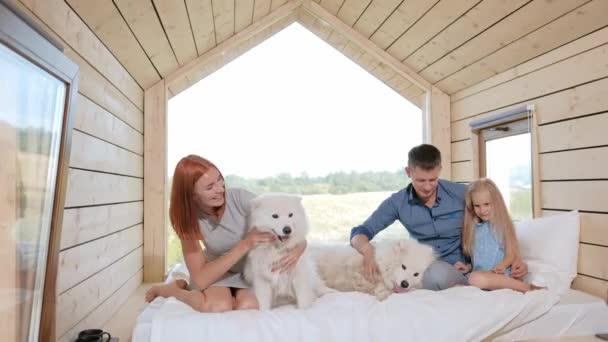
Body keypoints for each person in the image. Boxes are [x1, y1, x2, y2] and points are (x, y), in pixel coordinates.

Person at [349, 144, 528, 290]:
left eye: (433, 179)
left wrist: (515, 258)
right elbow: (360, 232)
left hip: (462, 269)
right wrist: (367, 251)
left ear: (440, 170)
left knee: (436, 276)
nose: (427, 187)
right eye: (421, 180)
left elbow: (495, 220)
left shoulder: (461, 193)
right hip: (425, 269)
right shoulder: (398, 202)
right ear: (408, 172)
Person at [145, 155, 307, 312]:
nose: (220, 189)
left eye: (219, 180)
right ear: (191, 195)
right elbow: (201, 278)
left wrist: (299, 248)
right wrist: (245, 244)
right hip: (218, 270)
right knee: (218, 306)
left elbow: (284, 220)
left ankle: (231, 297)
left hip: (249, 272)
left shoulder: (241, 199)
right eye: (209, 187)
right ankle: (174, 290)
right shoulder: (188, 218)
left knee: (248, 306)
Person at [456, 178, 542, 292]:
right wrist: (467, 267)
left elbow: (511, 254)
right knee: (464, 282)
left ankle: (527, 288)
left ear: (496, 202)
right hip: (481, 276)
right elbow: (478, 261)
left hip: (501, 275)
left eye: (487, 204)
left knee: (475, 279)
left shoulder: (502, 226)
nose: (482, 210)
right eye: (477, 206)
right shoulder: (475, 229)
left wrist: (502, 265)